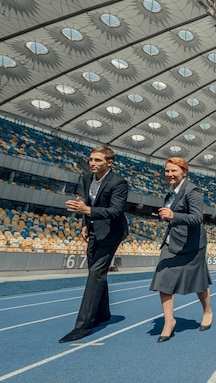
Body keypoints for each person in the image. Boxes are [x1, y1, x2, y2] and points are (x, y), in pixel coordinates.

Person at [60, 146, 129, 343]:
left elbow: (116, 211)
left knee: (95, 274)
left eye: (98, 160)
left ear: (109, 163)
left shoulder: (119, 183)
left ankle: (83, 325)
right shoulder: (86, 178)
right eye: (91, 159)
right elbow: (85, 204)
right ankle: (103, 313)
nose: (92, 163)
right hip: (93, 230)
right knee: (97, 274)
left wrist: (88, 211)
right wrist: (85, 223)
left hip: (112, 232)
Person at [149, 157, 213, 343]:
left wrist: (173, 215)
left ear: (184, 172)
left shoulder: (192, 191)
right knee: (163, 280)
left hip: (192, 244)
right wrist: (168, 217)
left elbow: (197, 218)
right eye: (167, 171)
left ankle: (207, 311)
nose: (169, 174)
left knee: (198, 283)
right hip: (172, 242)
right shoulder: (171, 191)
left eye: (173, 171)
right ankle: (169, 322)